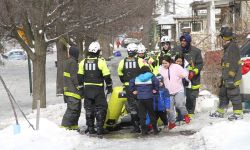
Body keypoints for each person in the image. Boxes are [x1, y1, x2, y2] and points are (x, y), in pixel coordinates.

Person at [78, 41, 113, 135]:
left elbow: (79, 77)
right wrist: (109, 87)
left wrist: (81, 89)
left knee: (89, 109)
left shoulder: (83, 62)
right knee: (101, 108)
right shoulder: (101, 62)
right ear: (98, 51)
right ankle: (100, 129)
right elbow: (107, 76)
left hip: (87, 89)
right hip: (98, 89)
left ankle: (90, 128)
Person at [210, 26, 243, 121]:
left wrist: (230, 77)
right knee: (223, 94)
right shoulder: (228, 47)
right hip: (226, 77)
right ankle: (221, 111)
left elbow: (233, 64)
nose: (221, 40)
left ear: (225, 37)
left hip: (232, 77)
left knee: (234, 94)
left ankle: (238, 114)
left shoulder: (233, 47)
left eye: (222, 37)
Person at [117, 43, 148, 133]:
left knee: (132, 107)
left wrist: (124, 81)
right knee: (141, 105)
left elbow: (120, 73)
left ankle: (136, 127)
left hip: (128, 86)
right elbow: (147, 70)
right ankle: (143, 126)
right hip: (139, 86)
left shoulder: (123, 62)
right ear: (136, 51)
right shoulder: (140, 61)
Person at [173, 33, 203, 118]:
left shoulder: (196, 51)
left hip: (192, 79)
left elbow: (200, 64)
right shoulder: (176, 50)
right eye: (181, 40)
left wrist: (194, 71)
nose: (182, 42)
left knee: (191, 97)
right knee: (179, 98)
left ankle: (190, 115)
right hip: (179, 79)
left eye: (184, 40)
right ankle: (180, 116)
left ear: (188, 41)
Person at [159, 56, 190, 129]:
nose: (164, 65)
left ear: (169, 62)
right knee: (169, 109)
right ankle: (172, 122)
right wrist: (160, 82)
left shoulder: (176, 67)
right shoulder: (161, 69)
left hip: (178, 90)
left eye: (166, 63)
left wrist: (183, 75)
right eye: (163, 63)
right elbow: (158, 78)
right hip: (168, 92)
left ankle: (185, 115)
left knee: (180, 104)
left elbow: (185, 72)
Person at [129, 66, 160, 135]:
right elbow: (157, 82)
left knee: (142, 115)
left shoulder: (137, 77)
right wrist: (155, 89)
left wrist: (133, 90)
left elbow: (131, 82)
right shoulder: (151, 76)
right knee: (151, 114)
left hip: (140, 99)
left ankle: (144, 131)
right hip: (149, 98)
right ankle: (155, 130)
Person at [61, 46, 82, 131]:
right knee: (73, 109)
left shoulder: (66, 62)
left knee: (76, 108)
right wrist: (79, 86)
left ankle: (73, 125)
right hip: (73, 90)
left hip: (68, 89)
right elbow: (74, 76)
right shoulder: (73, 63)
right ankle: (64, 126)